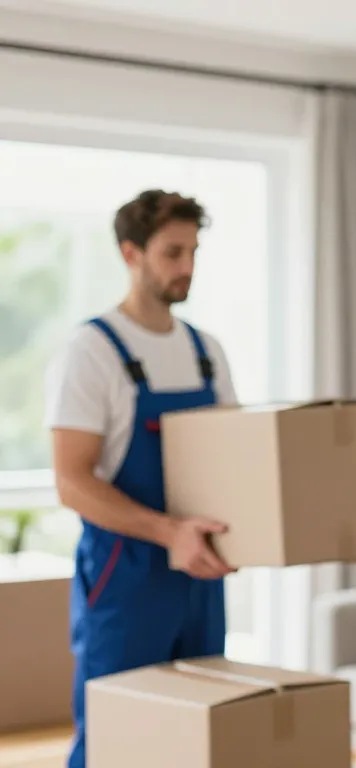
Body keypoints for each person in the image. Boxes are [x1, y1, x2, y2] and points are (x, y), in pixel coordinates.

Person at [44, 190, 237, 768]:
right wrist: (167, 531)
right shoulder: (93, 351)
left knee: (197, 733)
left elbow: (236, 463)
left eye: (194, 252)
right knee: (116, 737)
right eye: (172, 253)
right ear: (131, 253)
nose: (187, 267)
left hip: (201, 570)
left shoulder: (208, 351)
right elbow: (72, 482)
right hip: (124, 576)